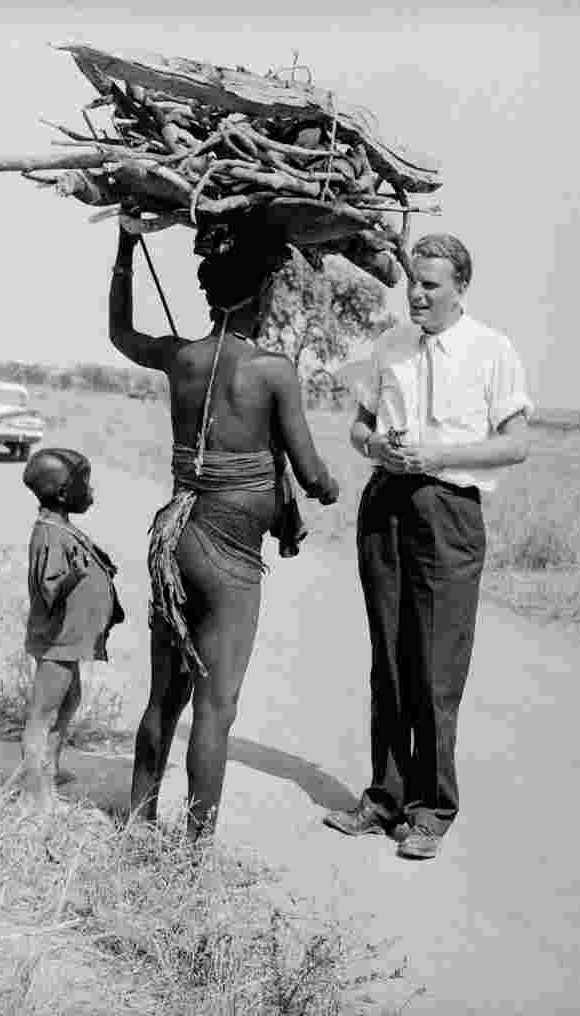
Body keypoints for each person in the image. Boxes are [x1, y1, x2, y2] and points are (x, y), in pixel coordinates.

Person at [109, 217, 339, 839]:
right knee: (216, 707)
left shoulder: (182, 356)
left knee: (166, 695)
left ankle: (136, 822)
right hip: (230, 554)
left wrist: (126, 250)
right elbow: (311, 471)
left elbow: (120, 333)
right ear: (258, 296)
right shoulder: (273, 371)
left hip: (175, 540)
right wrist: (328, 487)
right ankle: (193, 853)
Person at [324, 233, 533, 859]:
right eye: (413, 279)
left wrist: (441, 455)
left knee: (435, 667)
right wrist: (373, 447)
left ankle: (432, 809)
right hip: (386, 504)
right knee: (387, 658)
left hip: (448, 511)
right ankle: (383, 798)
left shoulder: (493, 351)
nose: (416, 291)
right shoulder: (388, 347)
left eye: (431, 284)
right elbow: (359, 426)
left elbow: (516, 444)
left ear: (460, 288)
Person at [5, 447, 125, 809]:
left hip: (68, 642)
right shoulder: (48, 534)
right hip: (56, 643)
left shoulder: (60, 527)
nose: (90, 490)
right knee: (43, 713)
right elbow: (48, 588)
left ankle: (49, 769)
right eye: (83, 483)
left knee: (69, 701)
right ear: (61, 494)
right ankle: (32, 791)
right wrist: (74, 576)